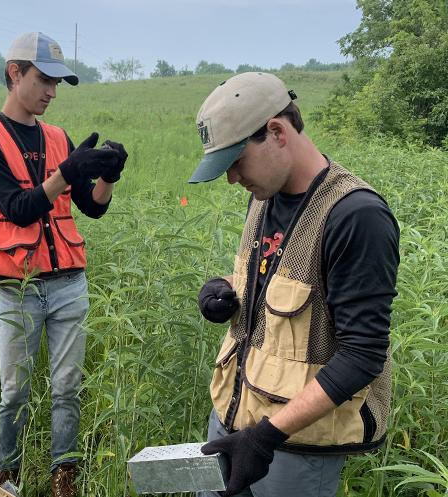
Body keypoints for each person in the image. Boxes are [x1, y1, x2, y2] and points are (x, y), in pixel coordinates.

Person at [188, 72, 399, 497]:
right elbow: (276, 280)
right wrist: (223, 291)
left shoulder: (356, 216)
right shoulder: (265, 193)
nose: (232, 178)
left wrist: (266, 436)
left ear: (277, 132)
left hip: (295, 447)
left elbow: (362, 355)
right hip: (232, 421)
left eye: (235, 162)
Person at [0, 32, 126, 496]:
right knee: (14, 391)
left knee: (67, 387)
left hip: (69, 282)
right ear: (15, 73)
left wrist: (107, 178)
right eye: (44, 79)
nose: (52, 92)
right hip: (19, 286)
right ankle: (7, 474)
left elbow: (91, 207)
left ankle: (64, 476)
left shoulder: (58, 138)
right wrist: (66, 173)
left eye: (58, 83)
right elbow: (17, 207)